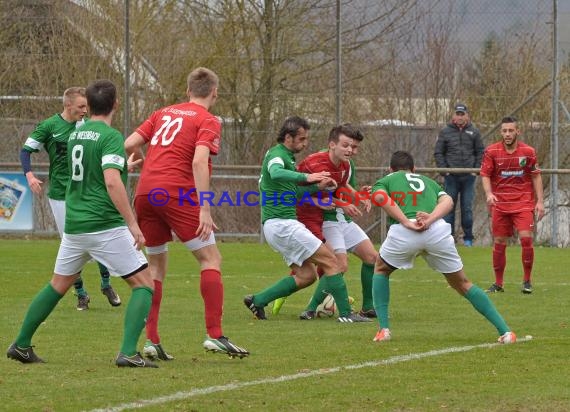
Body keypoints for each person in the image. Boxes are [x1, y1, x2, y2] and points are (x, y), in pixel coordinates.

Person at [8, 79, 157, 367]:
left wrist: (123, 165)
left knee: (58, 285)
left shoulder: (77, 133)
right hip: (103, 224)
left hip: (75, 224)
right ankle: (128, 352)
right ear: (115, 104)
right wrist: (133, 224)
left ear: (88, 106)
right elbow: (111, 182)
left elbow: (92, 168)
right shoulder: (110, 135)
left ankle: (21, 344)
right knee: (144, 284)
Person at [125, 67, 249, 360]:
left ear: (187, 91)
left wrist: (146, 163)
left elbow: (130, 144)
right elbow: (198, 161)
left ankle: (151, 340)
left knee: (155, 267)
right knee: (210, 259)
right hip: (177, 194)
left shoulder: (162, 112)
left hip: (145, 193)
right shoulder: (208, 120)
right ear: (215, 93)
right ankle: (215, 335)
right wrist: (204, 207)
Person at [369, 150, 516, 344]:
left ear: (390, 169)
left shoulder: (386, 179)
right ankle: (505, 332)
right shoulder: (428, 181)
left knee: (381, 269)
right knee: (462, 283)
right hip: (435, 230)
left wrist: (405, 220)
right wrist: (430, 218)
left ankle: (383, 330)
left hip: (405, 232)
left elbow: (380, 198)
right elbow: (448, 201)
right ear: (414, 169)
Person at [243, 116, 370, 323]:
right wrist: (307, 177)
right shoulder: (278, 155)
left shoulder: (287, 158)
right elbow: (275, 172)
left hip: (276, 226)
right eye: (301, 139)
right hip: (283, 224)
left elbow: (290, 192)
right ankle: (347, 314)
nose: (305, 143)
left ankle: (257, 300)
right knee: (333, 261)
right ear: (288, 137)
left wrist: (315, 191)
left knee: (306, 276)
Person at [20, 86, 121, 310]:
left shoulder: (87, 127)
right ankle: (81, 294)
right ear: (67, 106)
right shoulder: (49, 126)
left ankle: (106, 284)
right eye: (81, 106)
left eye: (87, 106)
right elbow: (26, 150)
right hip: (60, 195)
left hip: (85, 192)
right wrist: (29, 176)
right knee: (71, 244)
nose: (85, 110)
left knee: (98, 236)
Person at [298, 125, 378, 319]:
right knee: (338, 265)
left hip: (341, 218)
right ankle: (311, 308)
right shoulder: (313, 163)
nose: (351, 150)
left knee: (373, 258)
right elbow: (302, 193)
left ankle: (368, 307)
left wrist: (359, 196)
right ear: (332, 145)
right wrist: (343, 204)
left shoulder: (346, 165)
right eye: (346, 145)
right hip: (324, 219)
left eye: (354, 147)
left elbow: (342, 185)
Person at [480, 116, 544, 294]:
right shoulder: (492, 151)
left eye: (510, 130)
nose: (507, 134)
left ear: (518, 131)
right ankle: (498, 283)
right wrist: (489, 194)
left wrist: (540, 201)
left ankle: (527, 281)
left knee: (526, 238)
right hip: (500, 204)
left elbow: (536, 175)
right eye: (504, 131)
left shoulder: (528, 152)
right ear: (501, 132)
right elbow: (485, 174)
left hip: (523, 202)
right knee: (499, 241)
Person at [434, 102, 484, 247]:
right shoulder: (445, 132)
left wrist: (475, 170)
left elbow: (480, 152)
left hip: (469, 177)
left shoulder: (474, 132)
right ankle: (448, 239)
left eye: (462, 114)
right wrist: (444, 170)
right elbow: (438, 152)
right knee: (448, 208)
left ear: (467, 116)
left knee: (467, 208)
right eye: (458, 114)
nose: (460, 117)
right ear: (453, 115)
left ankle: (468, 238)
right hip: (451, 177)